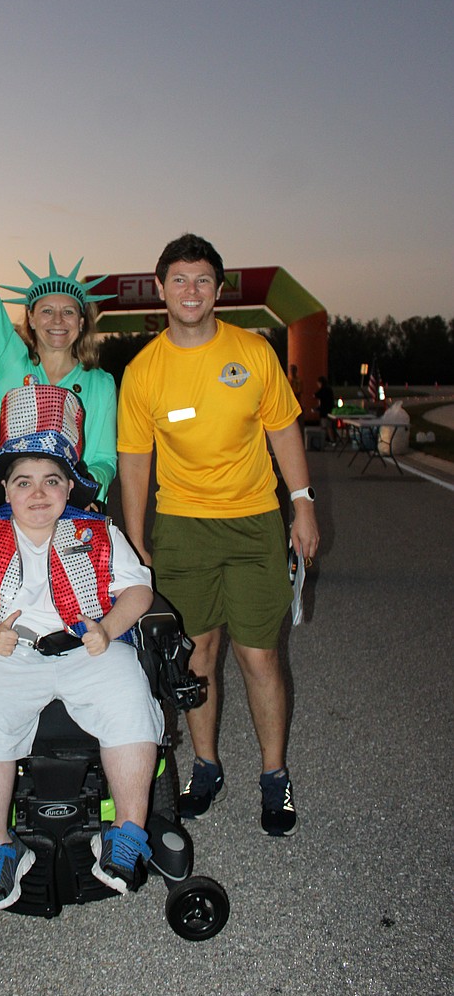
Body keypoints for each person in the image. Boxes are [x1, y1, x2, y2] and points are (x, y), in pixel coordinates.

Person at [0, 384, 164, 914]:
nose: (38, 494)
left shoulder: (98, 532)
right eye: (24, 482)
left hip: (87, 646)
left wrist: (108, 627)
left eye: (51, 481)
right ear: (6, 490)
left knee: (131, 694)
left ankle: (127, 834)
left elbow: (138, 590)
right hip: (5, 651)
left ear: (68, 487)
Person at [117, 234, 319, 838]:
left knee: (260, 655)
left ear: (218, 289)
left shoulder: (252, 351)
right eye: (179, 279)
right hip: (182, 527)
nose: (191, 290)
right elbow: (134, 460)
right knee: (198, 656)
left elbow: (283, 429)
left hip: (255, 521)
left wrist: (302, 504)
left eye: (203, 280)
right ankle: (205, 769)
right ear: (160, 289)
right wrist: (135, 538)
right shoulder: (144, 369)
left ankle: (274, 777)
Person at [0, 160, 116, 502]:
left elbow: (104, 458)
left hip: (71, 516)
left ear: (81, 322)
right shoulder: (10, 361)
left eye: (68, 313)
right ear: (30, 319)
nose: (57, 321)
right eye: (46, 311)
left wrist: (86, 491)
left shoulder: (100, 384)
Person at [314, 375, 336, 445]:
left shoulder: (323, 390)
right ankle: (330, 439)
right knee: (329, 425)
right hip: (330, 409)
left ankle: (330, 440)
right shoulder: (329, 389)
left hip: (324, 411)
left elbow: (316, 395)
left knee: (326, 426)